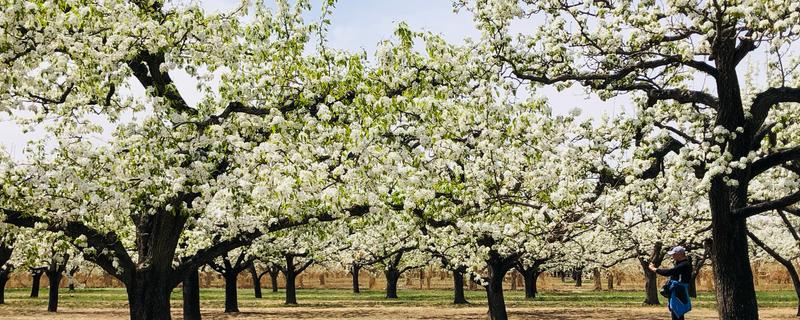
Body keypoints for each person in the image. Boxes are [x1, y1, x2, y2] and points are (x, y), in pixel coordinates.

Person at [649, 246, 692, 320]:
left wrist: (654, 269)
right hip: (678, 291)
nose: (672, 256)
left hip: (679, 292)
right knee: (676, 312)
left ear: (680, 254)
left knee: (677, 311)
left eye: (674, 254)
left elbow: (669, 272)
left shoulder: (684, 264)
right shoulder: (681, 264)